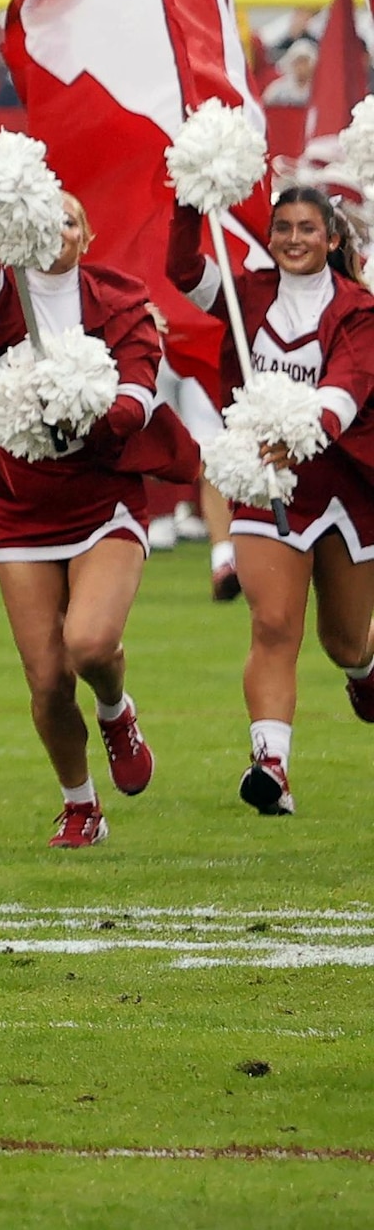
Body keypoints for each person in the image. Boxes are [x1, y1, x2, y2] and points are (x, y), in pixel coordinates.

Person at [0, 181, 196, 844]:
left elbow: (140, 397)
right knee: (48, 678)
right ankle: (80, 803)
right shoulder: (3, 299)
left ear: (87, 236)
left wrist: (81, 414)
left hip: (101, 495)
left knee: (89, 643)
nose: (57, 228)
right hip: (19, 504)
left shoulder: (120, 302)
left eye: (70, 219)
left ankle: (117, 709)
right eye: (44, 218)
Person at [188, 188, 374, 814]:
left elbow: (346, 390)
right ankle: (272, 765)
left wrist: (303, 438)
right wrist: (193, 192)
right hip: (268, 484)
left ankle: (363, 674)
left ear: (333, 239)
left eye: (307, 229)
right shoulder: (250, 296)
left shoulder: (359, 310)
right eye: (283, 228)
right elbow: (185, 272)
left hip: (346, 485)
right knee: (272, 625)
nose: (294, 239)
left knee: (346, 642)